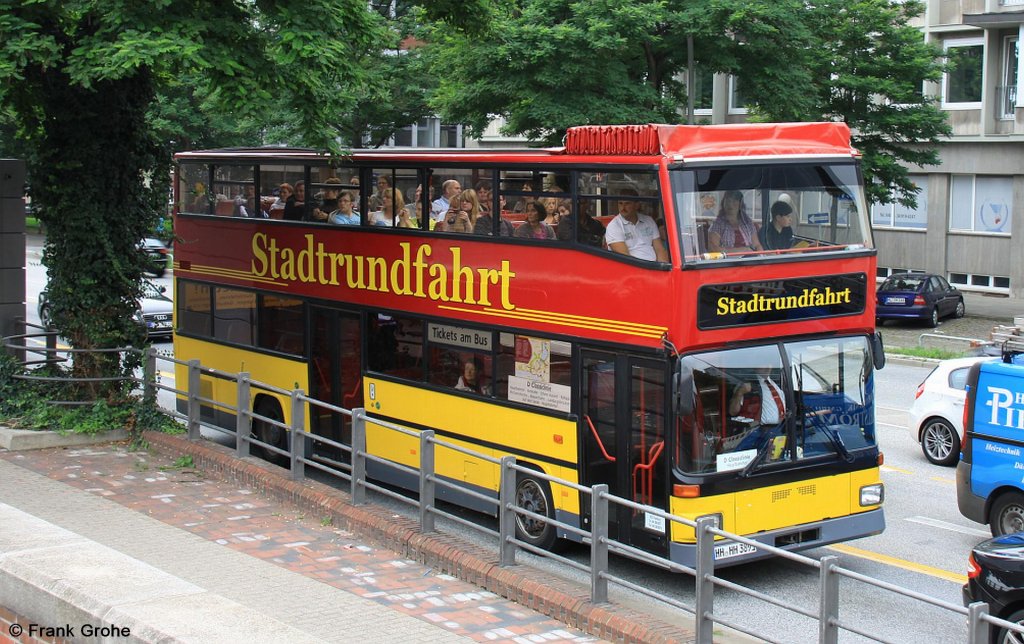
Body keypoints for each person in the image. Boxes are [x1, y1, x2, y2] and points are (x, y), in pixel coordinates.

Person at [604, 189, 668, 261]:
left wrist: (662, 267)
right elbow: (624, 257)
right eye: (620, 203)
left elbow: (659, 249)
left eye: (627, 203)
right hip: (633, 268)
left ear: (637, 205)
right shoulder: (614, 226)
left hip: (654, 267)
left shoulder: (649, 221)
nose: (623, 207)